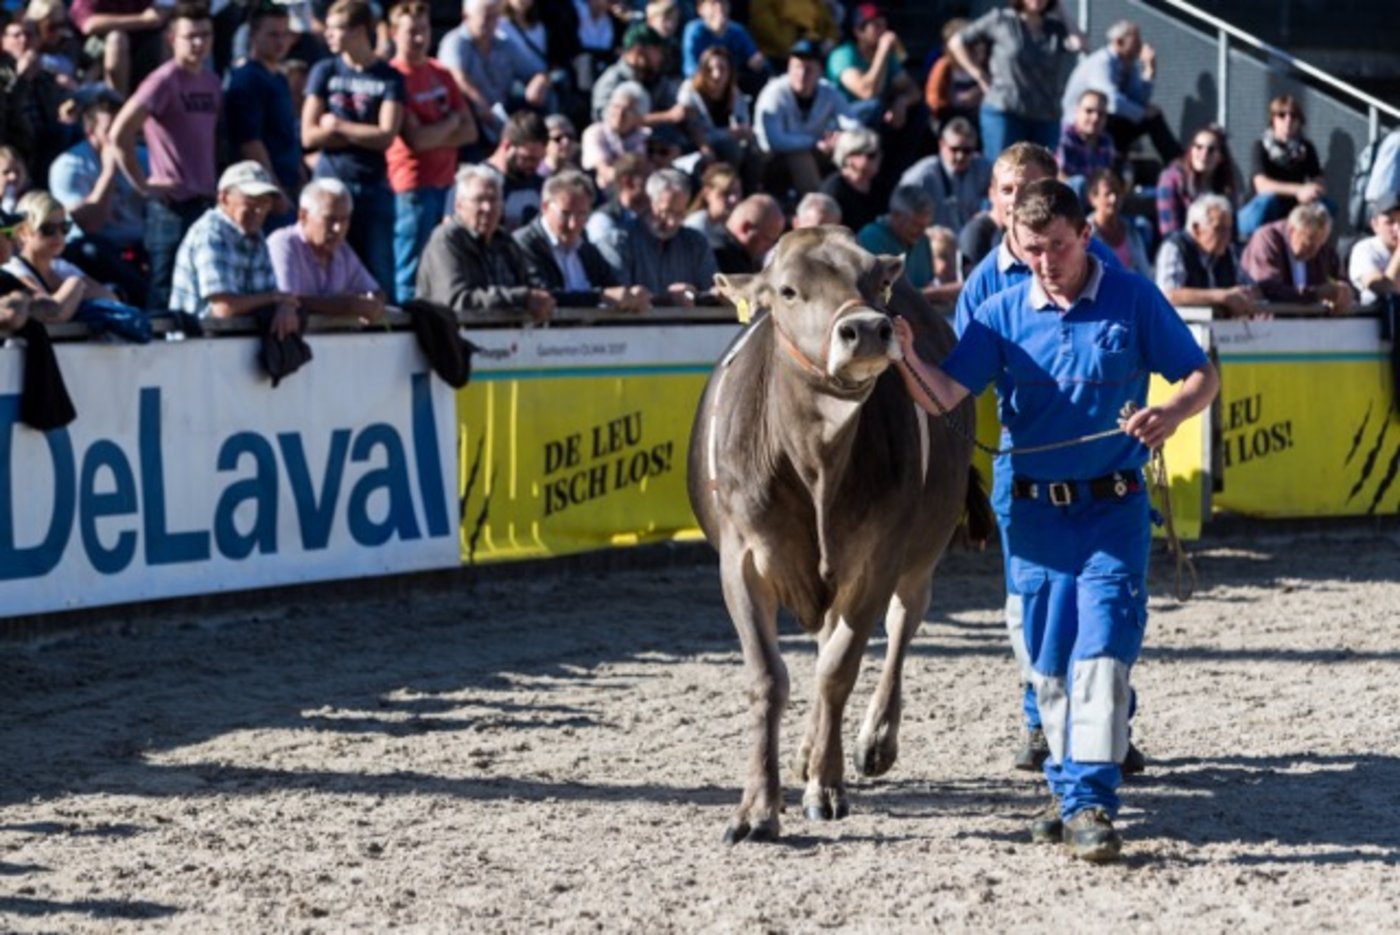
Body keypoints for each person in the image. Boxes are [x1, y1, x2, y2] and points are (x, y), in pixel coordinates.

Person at [893, 177, 1219, 862]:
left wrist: (1173, 412)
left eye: (1058, 248)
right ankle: (1067, 786)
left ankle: (1090, 802)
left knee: (1100, 651)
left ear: (1086, 237)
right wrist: (902, 357)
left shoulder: (1133, 297)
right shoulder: (1001, 314)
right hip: (1037, 517)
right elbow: (946, 393)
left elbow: (1200, 373)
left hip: (1116, 509)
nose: (1045, 261)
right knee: (1048, 665)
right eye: (1032, 248)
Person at [952, 142, 1128, 776]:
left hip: (1105, 470)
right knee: (1031, 606)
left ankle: (1107, 723)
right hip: (1020, 463)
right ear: (996, 204)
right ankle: (1040, 721)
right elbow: (957, 386)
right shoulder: (982, 286)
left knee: (1101, 605)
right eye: (1009, 191)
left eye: (1035, 187)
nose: (1021, 199)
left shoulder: (1092, 260)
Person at [109, 2, 221, 312]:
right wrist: (142, 184)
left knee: (203, 290)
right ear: (173, 39)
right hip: (170, 207)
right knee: (164, 290)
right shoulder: (163, 81)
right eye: (190, 36)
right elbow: (119, 134)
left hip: (204, 202)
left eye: (205, 35)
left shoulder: (212, 82)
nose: (199, 43)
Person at [302, 0, 405, 297]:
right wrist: (361, 133)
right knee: (321, 263)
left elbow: (386, 136)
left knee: (378, 272)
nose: (328, 35)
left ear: (359, 31)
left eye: (337, 29)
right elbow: (309, 135)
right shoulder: (324, 71)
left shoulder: (388, 77)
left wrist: (337, 126)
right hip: (330, 182)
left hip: (372, 186)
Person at [387, 0, 477, 303]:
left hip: (447, 183)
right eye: (411, 31)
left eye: (423, 30)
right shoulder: (393, 77)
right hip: (412, 185)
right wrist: (450, 122)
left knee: (445, 262)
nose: (418, 38)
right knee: (410, 265)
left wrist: (439, 131)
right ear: (392, 33)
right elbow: (416, 140)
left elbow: (470, 131)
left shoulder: (441, 72)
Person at [170, 161, 299, 338]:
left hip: (226, 343)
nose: (260, 210)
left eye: (266, 201)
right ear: (223, 198)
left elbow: (268, 294)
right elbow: (223, 308)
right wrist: (275, 299)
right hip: (195, 347)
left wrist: (284, 305)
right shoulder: (210, 233)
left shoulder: (255, 234)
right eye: (252, 200)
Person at [415, 163, 556, 320]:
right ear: (459, 206)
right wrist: (521, 298)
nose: (487, 208)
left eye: (493, 200)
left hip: (507, 337)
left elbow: (530, 288)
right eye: (479, 200)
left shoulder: (505, 242)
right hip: (454, 337)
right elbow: (456, 300)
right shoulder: (446, 241)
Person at [948, 0, 1081, 159]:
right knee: (1004, 168)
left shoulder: (1055, 27)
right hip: (1006, 110)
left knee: (1042, 175)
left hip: (1046, 114)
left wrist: (1061, 9)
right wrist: (978, 73)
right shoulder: (1000, 20)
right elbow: (956, 42)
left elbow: (1079, 44)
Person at [49, 98, 148, 307]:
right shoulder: (69, 165)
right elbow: (89, 224)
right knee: (92, 250)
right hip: (96, 246)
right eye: (109, 130)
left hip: (139, 242)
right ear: (90, 132)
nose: (118, 135)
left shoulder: (142, 157)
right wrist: (109, 172)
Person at [513, 168, 652, 312]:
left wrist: (631, 296)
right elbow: (543, 296)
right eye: (565, 214)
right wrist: (600, 297)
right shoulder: (524, 244)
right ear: (545, 207)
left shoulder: (586, 249)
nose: (573, 224)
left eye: (582, 214)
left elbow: (612, 286)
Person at [1059, 19, 1180, 165]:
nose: (1140, 46)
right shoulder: (1101, 63)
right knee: (1144, 115)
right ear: (1119, 42)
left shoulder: (1129, 65)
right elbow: (1112, 103)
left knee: (1153, 117)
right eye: (1135, 41)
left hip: (1106, 124)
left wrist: (1149, 71)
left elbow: (1138, 100)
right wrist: (1142, 113)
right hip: (1081, 124)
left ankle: (1178, 164)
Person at [225, 2, 302, 230]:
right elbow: (250, 143)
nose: (280, 42)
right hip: (262, 194)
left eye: (284, 34)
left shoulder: (278, 77)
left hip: (288, 184)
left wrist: (300, 176)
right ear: (253, 35)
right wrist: (274, 192)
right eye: (272, 34)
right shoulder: (247, 79)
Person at [267, 177, 386, 321]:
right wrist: (347, 306)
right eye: (330, 219)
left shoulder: (343, 250)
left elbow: (376, 292)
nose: (338, 229)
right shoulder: (283, 243)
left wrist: (372, 305)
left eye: (344, 220)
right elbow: (286, 300)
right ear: (303, 216)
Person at [752, 38, 859, 195]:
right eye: (797, 67)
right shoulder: (774, 93)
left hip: (813, 151)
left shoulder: (828, 91)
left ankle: (852, 200)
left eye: (809, 69)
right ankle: (817, 207)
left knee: (852, 151)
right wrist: (814, 142)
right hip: (770, 159)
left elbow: (854, 124)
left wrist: (840, 138)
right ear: (789, 68)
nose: (802, 74)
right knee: (800, 157)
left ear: (820, 71)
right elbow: (775, 141)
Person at [598, 167, 716, 305]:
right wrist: (669, 300)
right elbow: (621, 297)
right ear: (649, 202)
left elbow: (711, 290)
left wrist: (693, 295)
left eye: (680, 214)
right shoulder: (618, 242)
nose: (672, 222)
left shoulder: (696, 243)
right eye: (666, 212)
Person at [438, 0, 547, 146]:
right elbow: (457, 76)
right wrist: (481, 104)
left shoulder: (504, 45)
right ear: (466, 16)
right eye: (486, 17)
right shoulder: (454, 42)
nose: (492, 22)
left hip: (502, 115)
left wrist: (538, 81)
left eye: (495, 17)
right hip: (470, 118)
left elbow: (535, 70)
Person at [2, 190, 116, 322]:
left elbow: (111, 298)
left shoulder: (61, 267)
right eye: (48, 229)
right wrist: (75, 286)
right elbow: (52, 314)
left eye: (64, 227)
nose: (59, 236)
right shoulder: (15, 270)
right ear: (23, 233)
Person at [1155, 192, 1263, 318]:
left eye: (1229, 229)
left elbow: (1252, 288)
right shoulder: (1175, 247)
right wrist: (1222, 296)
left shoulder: (1227, 252)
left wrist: (1246, 295)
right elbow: (1168, 295)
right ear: (1196, 228)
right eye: (1219, 229)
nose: (1227, 236)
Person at [1237, 95, 1328, 240]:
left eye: (1293, 115)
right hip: (1260, 211)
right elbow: (1262, 186)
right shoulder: (1260, 146)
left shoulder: (1306, 148)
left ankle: (1315, 249)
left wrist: (1312, 191)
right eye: (1281, 115)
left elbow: (1319, 183)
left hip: (1292, 207)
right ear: (1273, 119)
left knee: (1327, 206)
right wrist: (1299, 189)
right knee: (1268, 200)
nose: (1288, 120)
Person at [1240, 203, 1353, 313]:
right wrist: (1316, 294)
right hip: (1268, 323)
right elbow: (1270, 289)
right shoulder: (1267, 239)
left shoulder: (1319, 247)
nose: (1314, 252)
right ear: (1292, 230)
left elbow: (1338, 276)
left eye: (1319, 245)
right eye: (1308, 244)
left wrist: (1343, 290)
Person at [825, 2, 920, 133]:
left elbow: (912, 89)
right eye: (876, 26)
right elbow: (867, 93)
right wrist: (882, 51)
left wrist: (902, 101)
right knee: (875, 106)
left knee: (918, 110)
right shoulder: (842, 55)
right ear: (859, 32)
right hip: (840, 119)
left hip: (875, 115)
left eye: (884, 26)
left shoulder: (888, 57)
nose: (883, 32)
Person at [857, 185, 959, 304]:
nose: (922, 232)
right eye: (916, 225)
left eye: (926, 226)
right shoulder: (872, 238)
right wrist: (938, 293)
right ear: (896, 216)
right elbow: (883, 296)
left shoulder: (922, 241)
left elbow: (927, 283)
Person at [897, 116, 993, 233]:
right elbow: (900, 211)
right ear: (942, 145)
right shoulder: (921, 176)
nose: (960, 156)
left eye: (967, 151)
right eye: (954, 149)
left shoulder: (983, 168)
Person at [591, 23, 687, 133]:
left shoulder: (657, 79)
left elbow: (675, 105)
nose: (661, 57)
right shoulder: (611, 80)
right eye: (657, 50)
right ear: (639, 51)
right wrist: (666, 117)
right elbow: (611, 120)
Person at [677, 46, 753, 170]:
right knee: (731, 150)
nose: (716, 75)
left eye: (722, 69)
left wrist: (744, 131)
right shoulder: (690, 92)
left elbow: (743, 121)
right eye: (709, 69)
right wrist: (728, 134)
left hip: (723, 142)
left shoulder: (734, 94)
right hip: (694, 146)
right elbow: (695, 132)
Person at [1155, 125, 1237, 239]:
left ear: (1220, 157)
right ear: (1191, 150)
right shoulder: (1171, 178)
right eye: (1199, 147)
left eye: (1211, 149)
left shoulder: (1225, 186)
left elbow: (1231, 232)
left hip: (1216, 247)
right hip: (1181, 247)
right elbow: (1170, 232)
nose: (1204, 154)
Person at [483, 109, 548, 231]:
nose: (535, 166)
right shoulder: (475, 183)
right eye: (528, 158)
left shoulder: (538, 183)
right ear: (507, 146)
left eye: (539, 159)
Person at [681, 0, 766, 92]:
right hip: (705, 85)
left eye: (723, 2)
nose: (719, 7)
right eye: (713, 3)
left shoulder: (737, 31)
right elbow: (690, 68)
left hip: (732, 85)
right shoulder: (694, 31)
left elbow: (755, 57)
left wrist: (756, 61)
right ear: (701, 9)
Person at [583, 81, 652, 192]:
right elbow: (604, 171)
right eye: (616, 107)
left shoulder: (646, 136)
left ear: (639, 116)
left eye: (627, 110)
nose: (619, 114)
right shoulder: (595, 133)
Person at [1085, 169, 1151, 279]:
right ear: (1093, 198)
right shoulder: (1084, 236)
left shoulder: (1133, 231)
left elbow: (1145, 273)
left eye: (1117, 192)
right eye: (1108, 194)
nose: (1114, 199)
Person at [923, 17, 984, 133]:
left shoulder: (981, 65)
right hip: (949, 116)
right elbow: (933, 99)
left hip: (976, 115)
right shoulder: (944, 66)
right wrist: (955, 101)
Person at [819, 127, 882, 234]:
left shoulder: (878, 184)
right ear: (849, 157)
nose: (879, 157)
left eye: (879, 152)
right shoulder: (834, 189)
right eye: (871, 155)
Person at [1056, 90, 1116, 201]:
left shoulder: (1106, 142)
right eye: (1089, 111)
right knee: (1079, 183)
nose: (1095, 118)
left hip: (1096, 201)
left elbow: (1106, 177)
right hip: (1068, 201)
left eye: (1101, 114)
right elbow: (1059, 176)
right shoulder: (1064, 137)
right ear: (1077, 111)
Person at [711, 192, 783, 274]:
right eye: (766, 238)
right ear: (746, 229)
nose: (769, 247)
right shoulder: (719, 257)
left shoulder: (743, 257)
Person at [1349, 191, 1400, 307]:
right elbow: (1383, 288)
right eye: (1390, 222)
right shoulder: (1364, 250)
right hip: (1380, 318)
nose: (1397, 228)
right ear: (1375, 225)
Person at [748, 0, 838, 65]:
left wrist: (830, 40)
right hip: (779, 56)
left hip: (815, 49)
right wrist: (793, 48)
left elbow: (829, 24)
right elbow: (765, 28)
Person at [684, 161, 742, 248]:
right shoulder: (695, 228)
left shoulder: (729, 229)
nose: (733, 199)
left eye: (736, 192)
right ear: (707, 193)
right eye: (725, 193)